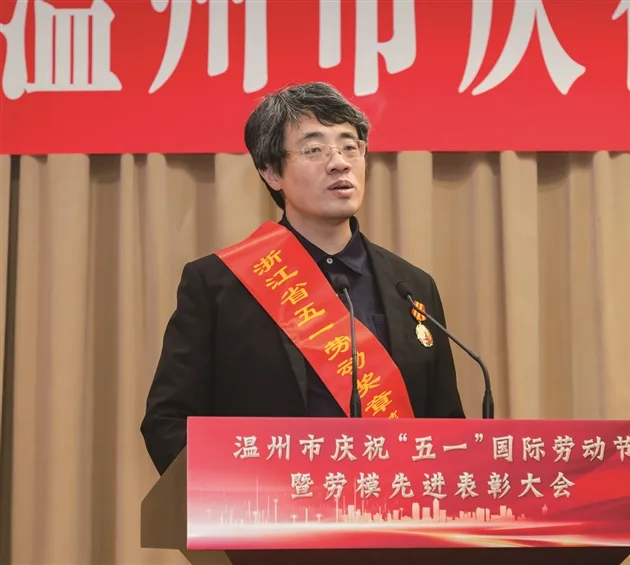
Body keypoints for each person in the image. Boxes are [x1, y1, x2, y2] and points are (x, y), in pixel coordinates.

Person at [140, 82, 465, 475]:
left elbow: (446, 425)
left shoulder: (411, 286)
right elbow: (169, 422)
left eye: (350, 146)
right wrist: (239, 493)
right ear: (271, 172)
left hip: (392, 506)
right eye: (314, 150)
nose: (339, 163)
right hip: (270, 509)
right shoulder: (218, 285)